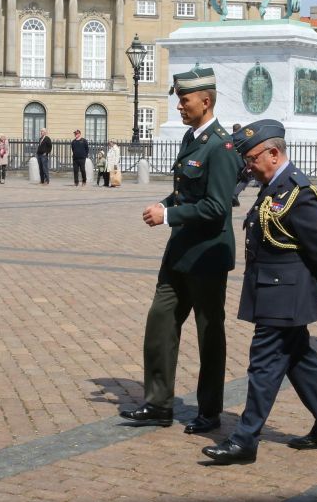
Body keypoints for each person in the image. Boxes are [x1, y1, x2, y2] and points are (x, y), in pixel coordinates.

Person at [201, 120, 317, 465]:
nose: (248, 166)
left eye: (252, 159)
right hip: (276, 292)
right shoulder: (273, 187)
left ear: (274, 153)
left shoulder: (298, 191)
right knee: (300, 360)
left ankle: (245, 439)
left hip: (284, 297)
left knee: (263, 366)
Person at [121, 67, 241, 434]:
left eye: (184, 100)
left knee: (209, 334)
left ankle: (209, 411)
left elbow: (217, 206)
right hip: (179, 252)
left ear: (205, 101)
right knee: (160, 321)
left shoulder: (221, 147)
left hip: (207, 254)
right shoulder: (192, 139)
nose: (179, 105)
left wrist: (169, 214)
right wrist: (165, 203)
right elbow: (186, 192)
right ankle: (158, 403)